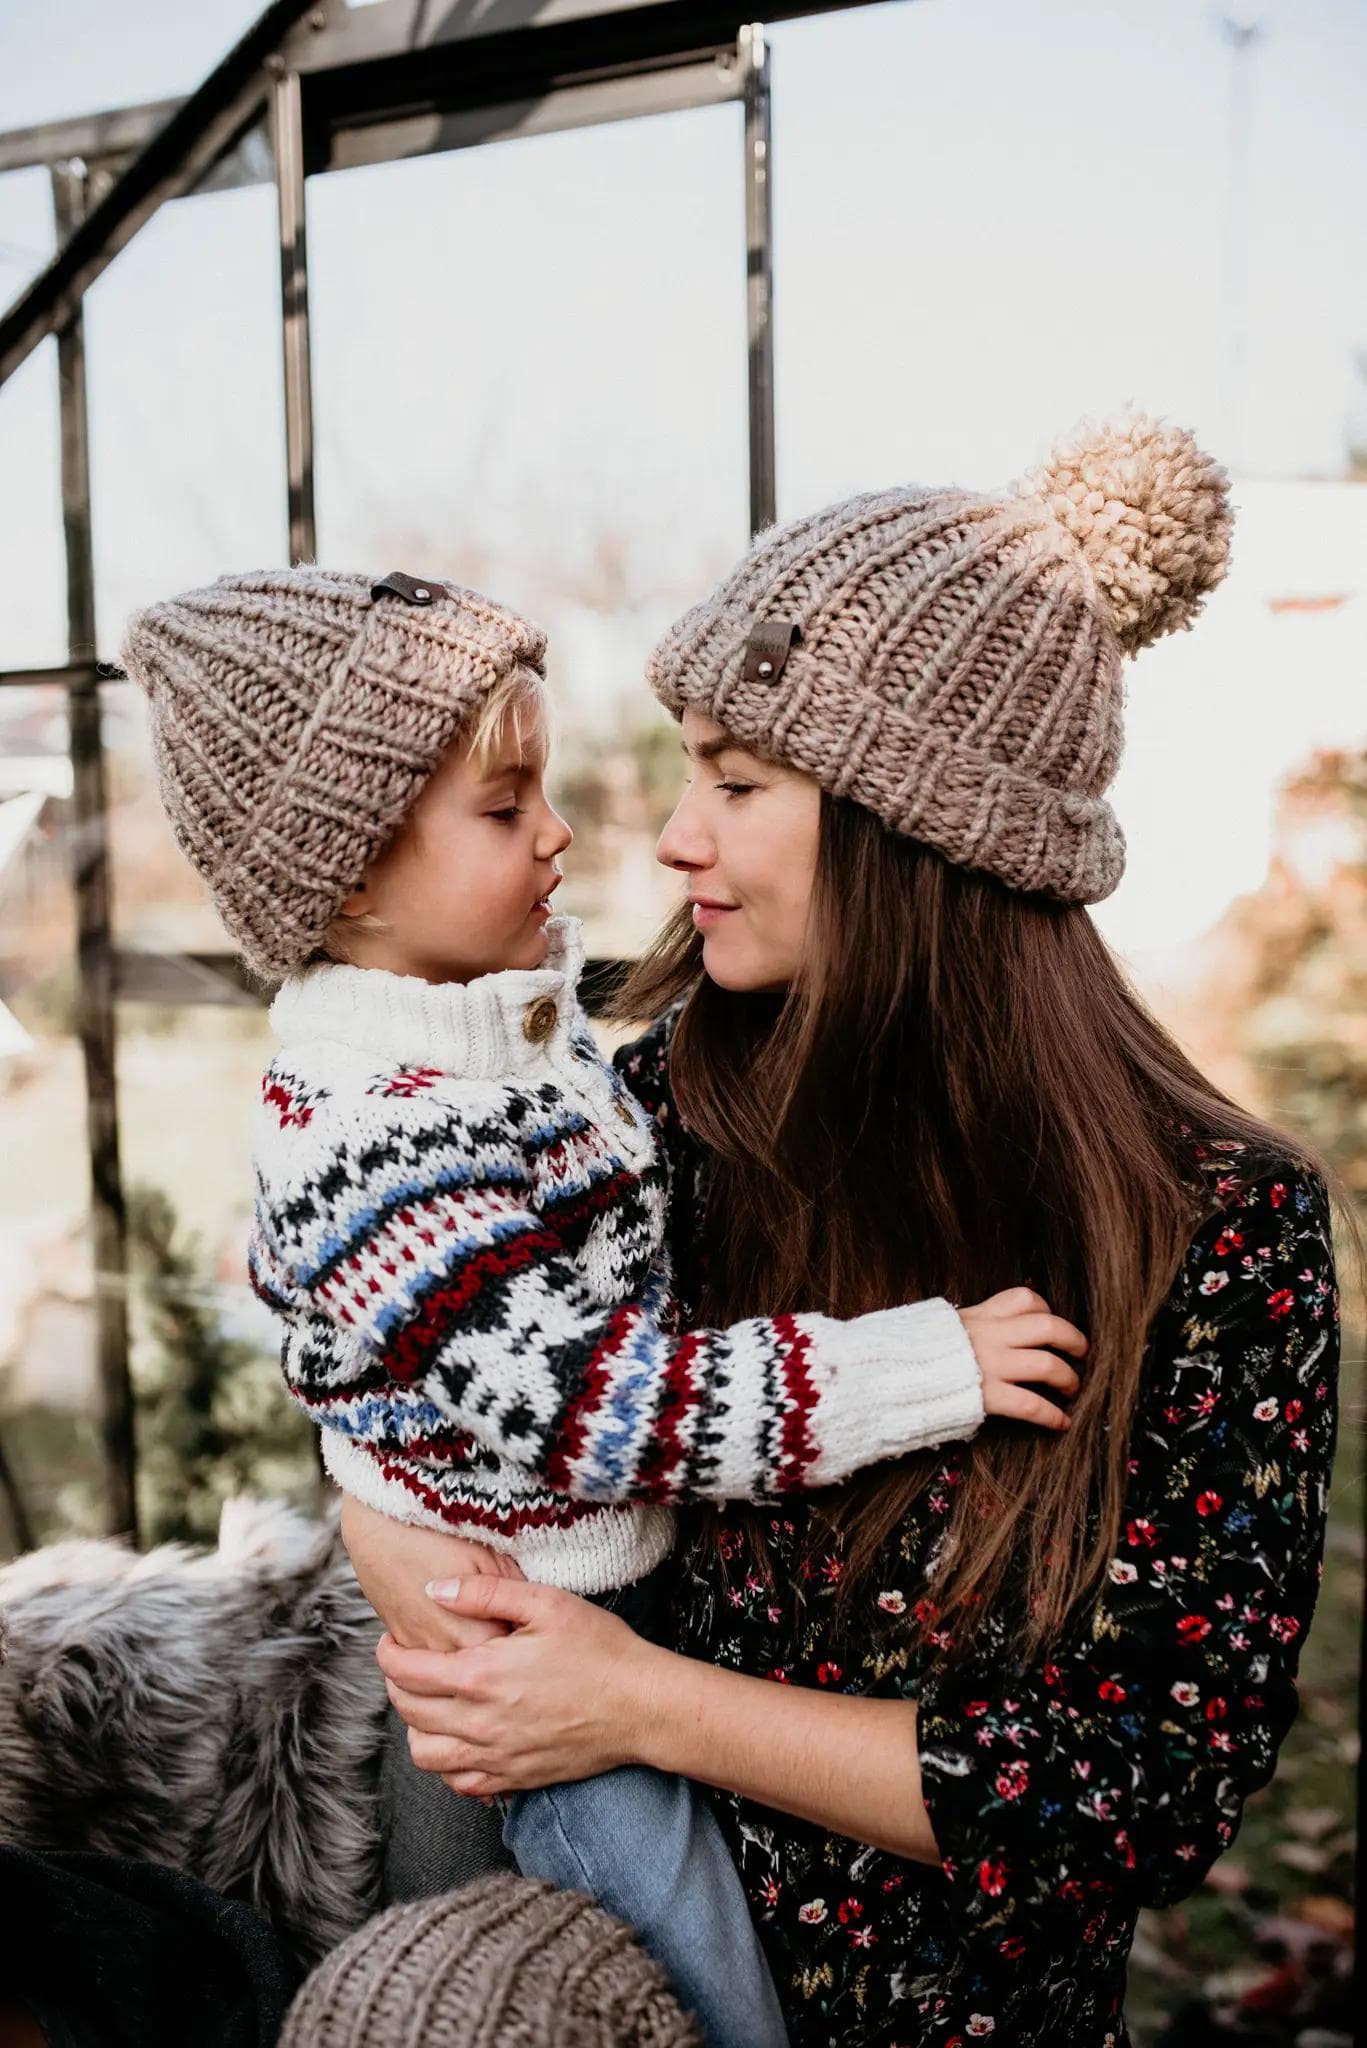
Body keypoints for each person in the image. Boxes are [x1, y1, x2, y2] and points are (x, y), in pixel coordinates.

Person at [358, 416, 1343, 2047]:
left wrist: (644, 1703)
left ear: (922, 837)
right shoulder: (653, 1114)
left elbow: (1146, 1787)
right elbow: (413, 1411)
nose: (677, 837)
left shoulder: (1216, 1227)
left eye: (739, 783)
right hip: (583, 1980)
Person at [119, 566, 1083, 2048]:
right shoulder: (382, 1131)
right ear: (350, 877)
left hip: (575, 1619)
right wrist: (923, 1367)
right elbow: (610, 1408)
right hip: (531, 1673)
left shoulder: (505, 1051)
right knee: (704, 1991)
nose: (566, 835)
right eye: (506, 813)